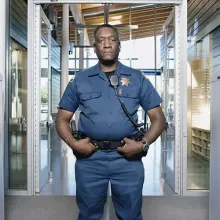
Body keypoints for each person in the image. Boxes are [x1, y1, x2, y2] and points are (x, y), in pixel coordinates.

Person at [56, 24, 166, 220]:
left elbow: (158, 119)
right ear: (95, 47)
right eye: (101, 40)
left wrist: (142, 144)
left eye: (111, 39)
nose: (106, 44)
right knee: (88, 213)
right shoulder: (80, 80)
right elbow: (62, 119)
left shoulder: (137, 78)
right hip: (90, 158)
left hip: (127, 158)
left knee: (131, 214)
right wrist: (73, 144)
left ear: (119, 45)